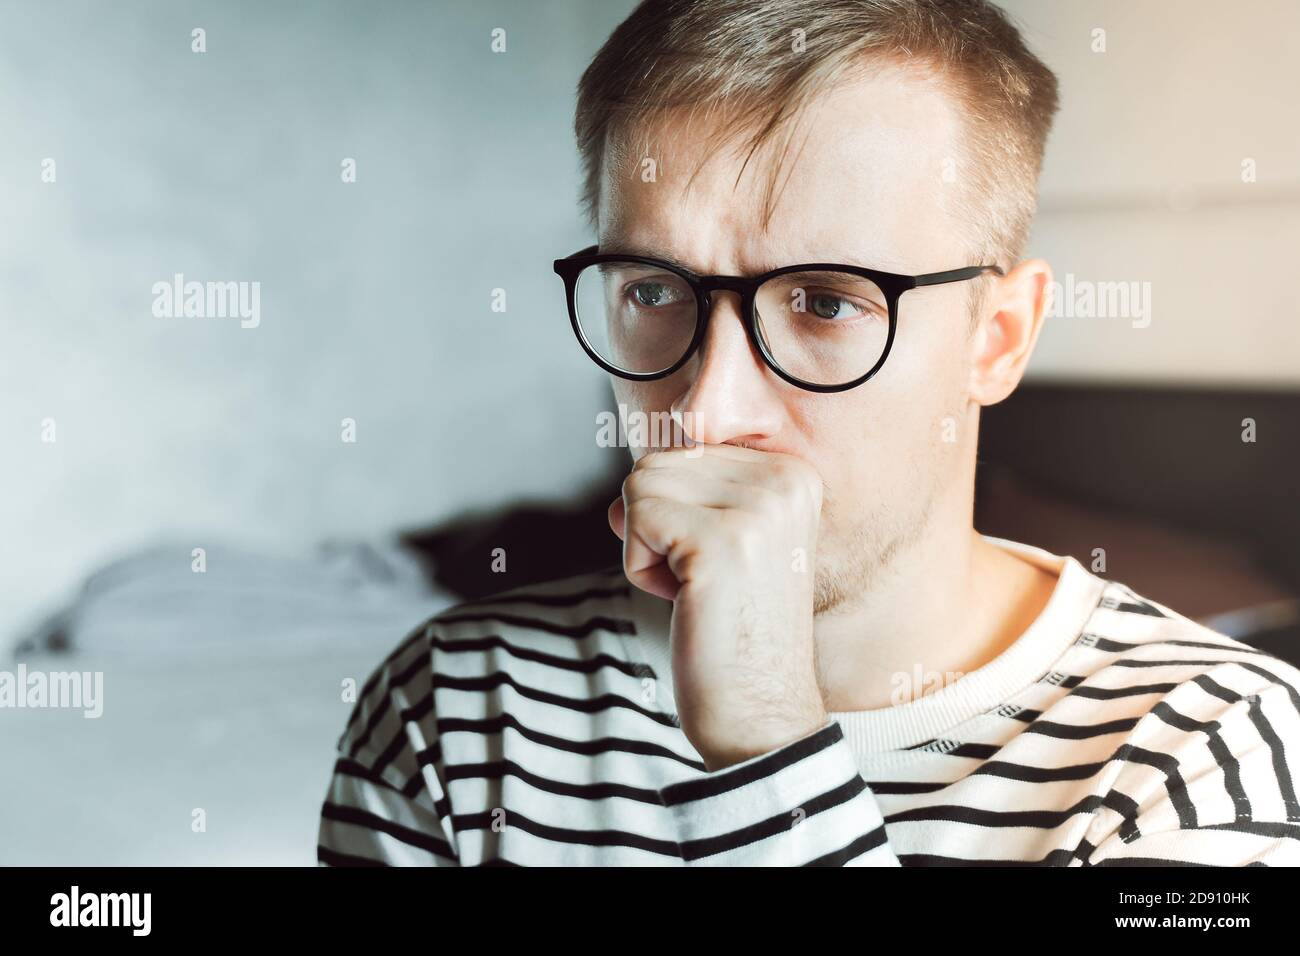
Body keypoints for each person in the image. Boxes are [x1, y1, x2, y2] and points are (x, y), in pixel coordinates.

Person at [317, 0, 1300, 866]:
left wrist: (766, 750)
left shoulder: (1203, 751)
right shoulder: (451, 705)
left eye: (825, 302)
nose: (704, 413)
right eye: (654, 291)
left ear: (993, 340)